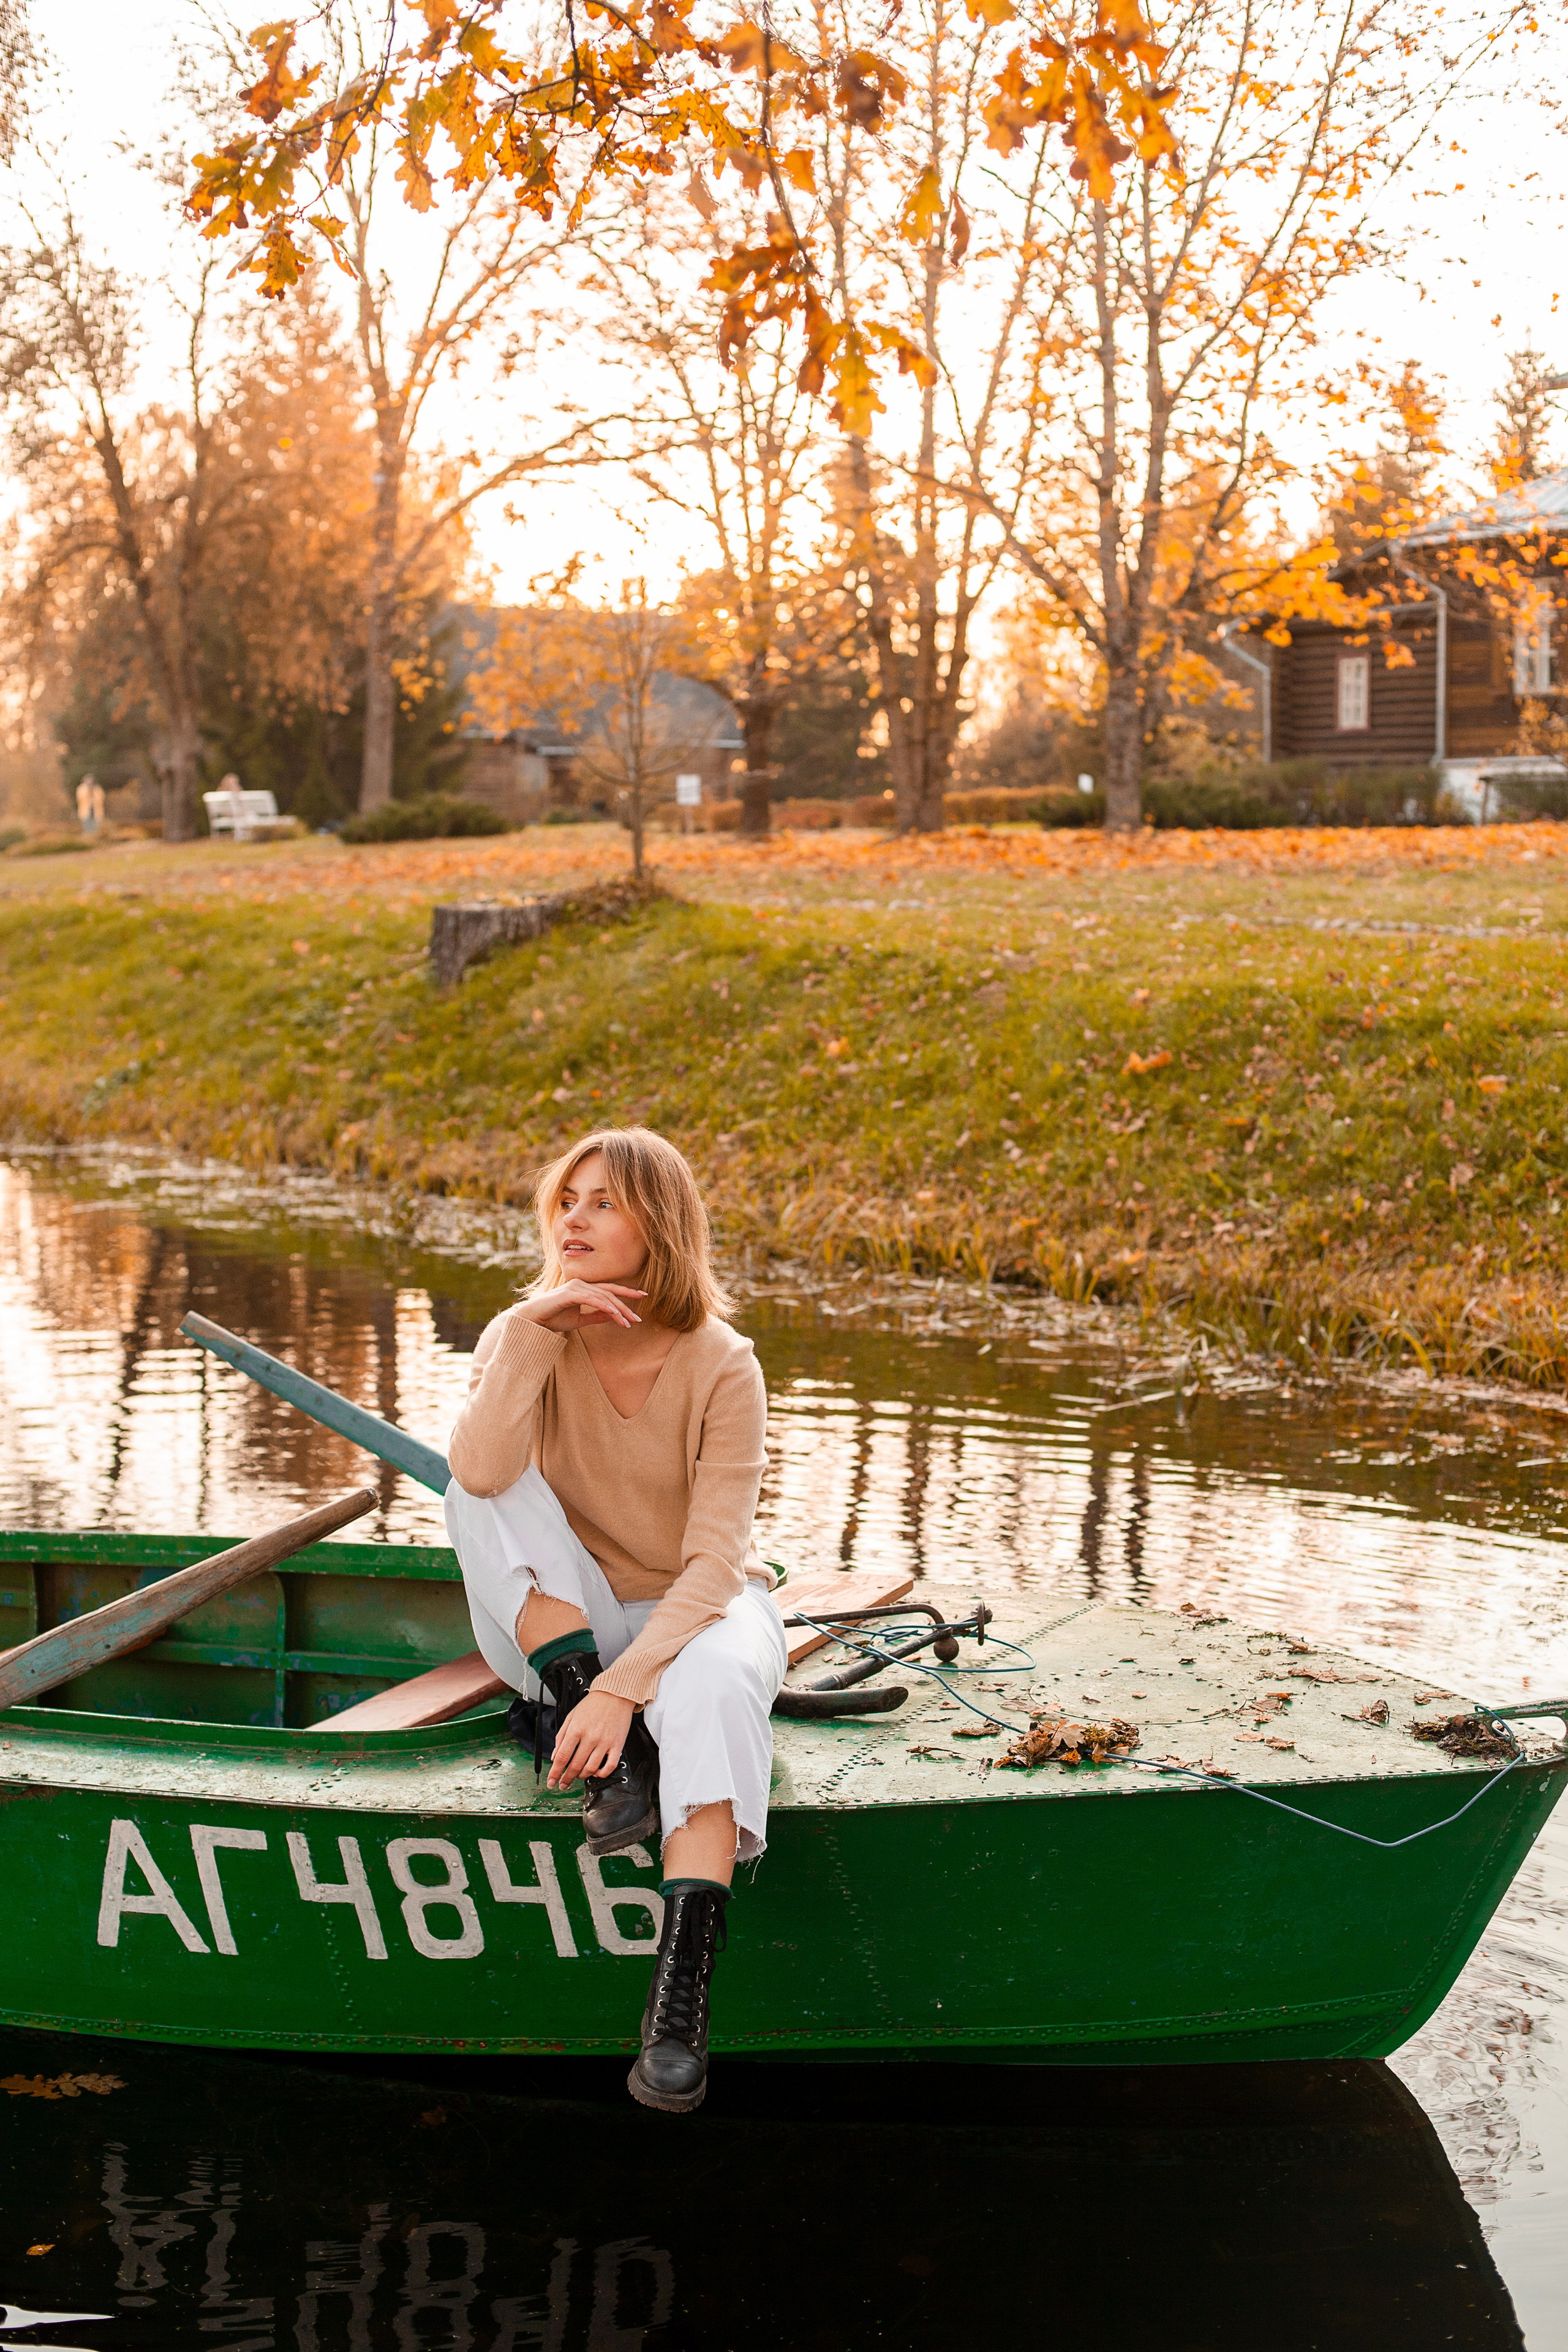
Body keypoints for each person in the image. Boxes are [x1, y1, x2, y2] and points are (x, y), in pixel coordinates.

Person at [443, 1126, 785, 2111]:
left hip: (698, 1612)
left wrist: (625, 1690)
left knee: (717, 1685)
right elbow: (479, 1480)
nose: (574, 1218)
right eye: (567, 1199)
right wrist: (530, 1332)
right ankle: (611, 1747)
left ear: (660, 1225)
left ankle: (678, 2009)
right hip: (565, 1625)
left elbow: (716, 1562)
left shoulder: (724, 1363)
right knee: (474, 1478)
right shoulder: (525, 1335)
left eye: (604, 1201)